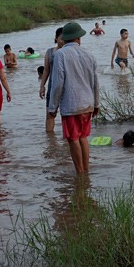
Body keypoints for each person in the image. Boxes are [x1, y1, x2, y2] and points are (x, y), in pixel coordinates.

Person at [48, 22, 100, 174]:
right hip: (87, 103)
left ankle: (80, 173)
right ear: (79, 38)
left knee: (73, 138)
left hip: (71, 104)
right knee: (83, 137)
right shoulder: (89, 55)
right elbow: (95, 82)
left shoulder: (60, 54)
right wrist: (96, 104)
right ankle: (86, 171)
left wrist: (53, 107)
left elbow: (58, 83)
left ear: (64, 39)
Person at [39, 27, 65, 133]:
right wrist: (42, 86)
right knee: (50, 115)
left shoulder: (68, 52)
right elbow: (46, 70)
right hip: (52, 87)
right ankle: (50, 142)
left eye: (65, 39)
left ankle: (67, 143)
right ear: (56, 38)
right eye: (61, 38)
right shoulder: (50, 52)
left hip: (66, 88)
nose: (63, 41)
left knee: (66, 116)